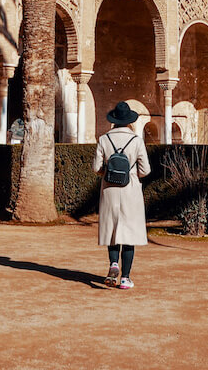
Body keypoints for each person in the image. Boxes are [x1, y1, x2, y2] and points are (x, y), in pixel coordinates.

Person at [92, 102, 150, 289]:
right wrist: (132, 174)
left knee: (112, 231)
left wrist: (108, 173)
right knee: (129, 235)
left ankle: (113, 264)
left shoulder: (104, 139)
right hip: (130, 190)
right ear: (129, 121)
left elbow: (95, 168)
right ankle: (125, 278)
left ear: (114, 121)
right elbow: (145, 170)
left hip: (109, 190)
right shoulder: (136, 140)